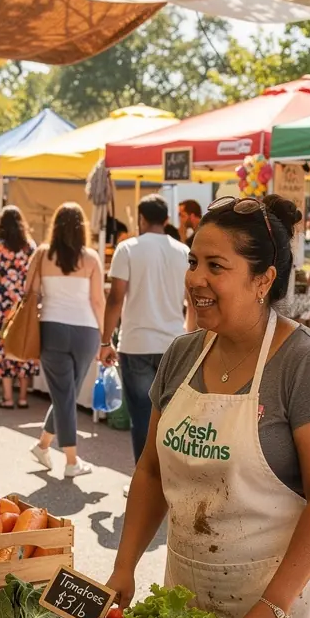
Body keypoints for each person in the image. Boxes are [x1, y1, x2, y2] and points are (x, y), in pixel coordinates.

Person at [107, 194, 310, 618]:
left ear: (263, 280)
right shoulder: (181, 355)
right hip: (189, 597)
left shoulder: (308, 366)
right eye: (193, 261)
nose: (196, 278)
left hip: (279, 609)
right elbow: (152, 471)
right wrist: (123, 568)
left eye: (215, 266)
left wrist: (274, 604)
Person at [101, 195, 189, 464]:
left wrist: (105, 342)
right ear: (166, 220)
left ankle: (142, 480)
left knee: (141, 417)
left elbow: (116, 297)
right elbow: (192, 302)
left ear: (141, 219)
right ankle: (168, 480)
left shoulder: (127, 249)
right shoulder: (184, 252)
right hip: (174, 344)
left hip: (136, 343)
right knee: (173, 418)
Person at [30, 203, 105, 478]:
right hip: (86, 331)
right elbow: (98, 301)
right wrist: (105, 336)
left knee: (65, 394)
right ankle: (72, 461)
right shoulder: (91, 258)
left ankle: (43, 446)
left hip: (52, 329)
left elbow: (31, 293)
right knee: (67, 394)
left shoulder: (41, 255)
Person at [0, 205, 38, 410]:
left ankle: (7, 397)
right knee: (22, 344)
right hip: (22, 304)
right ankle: (22, 397)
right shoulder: (30, 246)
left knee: (4, 346)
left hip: (0, 304)